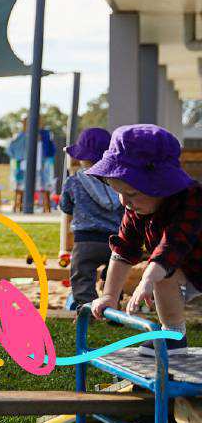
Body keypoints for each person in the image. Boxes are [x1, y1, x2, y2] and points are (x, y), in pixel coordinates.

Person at [89, 125, 202, 358]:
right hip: (182, 266)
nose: (124, 202)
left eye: (131, 193)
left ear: (161, 185)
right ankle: (173, 337)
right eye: (118, 192)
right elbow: (123, 248)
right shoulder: (137, 207)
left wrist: (147, 278)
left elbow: (173, 244)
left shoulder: (192, 199)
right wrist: (110, 295)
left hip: (189, 256)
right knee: (163, 274)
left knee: (158, 270)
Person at [59, 127, 122, 308]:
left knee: (82, 275)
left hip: (85, 241)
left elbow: (66, 207)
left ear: (81, 156)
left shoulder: (74, 181)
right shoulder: (117, 181)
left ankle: (86, 309)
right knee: (114, 275)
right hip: (115, 241)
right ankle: (112, 308)